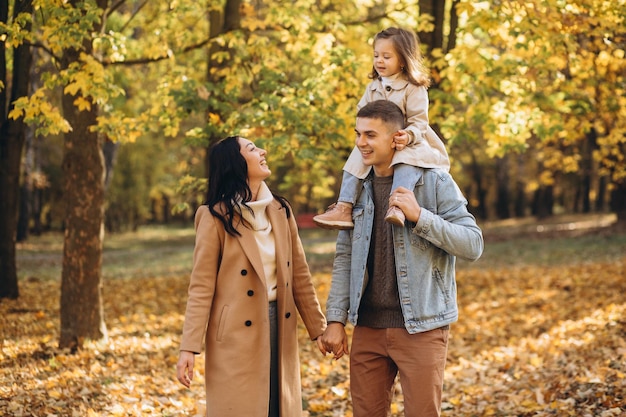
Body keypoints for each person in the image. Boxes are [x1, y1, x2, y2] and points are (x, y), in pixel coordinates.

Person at [319, 100, 484, 417]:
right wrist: (336, 320)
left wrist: (420, 216)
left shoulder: (434, 181)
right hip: (367, 327)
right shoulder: (356, 190)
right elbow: (345, 257)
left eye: (370, 135)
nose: (360, 143)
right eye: (358, 134)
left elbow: (473, 244)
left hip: (421, 326)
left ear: (397, 138)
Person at [176, 136, 327, 417]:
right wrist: (189, 348)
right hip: (235, 333)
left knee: (275, 407)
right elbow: (201, 287)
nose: (263, 151)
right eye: (252, 148)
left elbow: (300, 275)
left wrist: (318, 328)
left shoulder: (281, 210)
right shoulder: (214, 217)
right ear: (236, 162)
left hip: (279, 322)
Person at [313, 27, 450, 230]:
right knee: (357, 155)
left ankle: (397, 206)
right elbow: (362, 111)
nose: (379, 61)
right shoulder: (373, 87)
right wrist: (364, 132)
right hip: (379, 141)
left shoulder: (413, 87)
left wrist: (408, 135)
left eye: (387, 56)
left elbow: (420, 121)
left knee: (405, 161)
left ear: (403, 60)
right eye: (376, 55)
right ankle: (344, 206)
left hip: (406, 141)